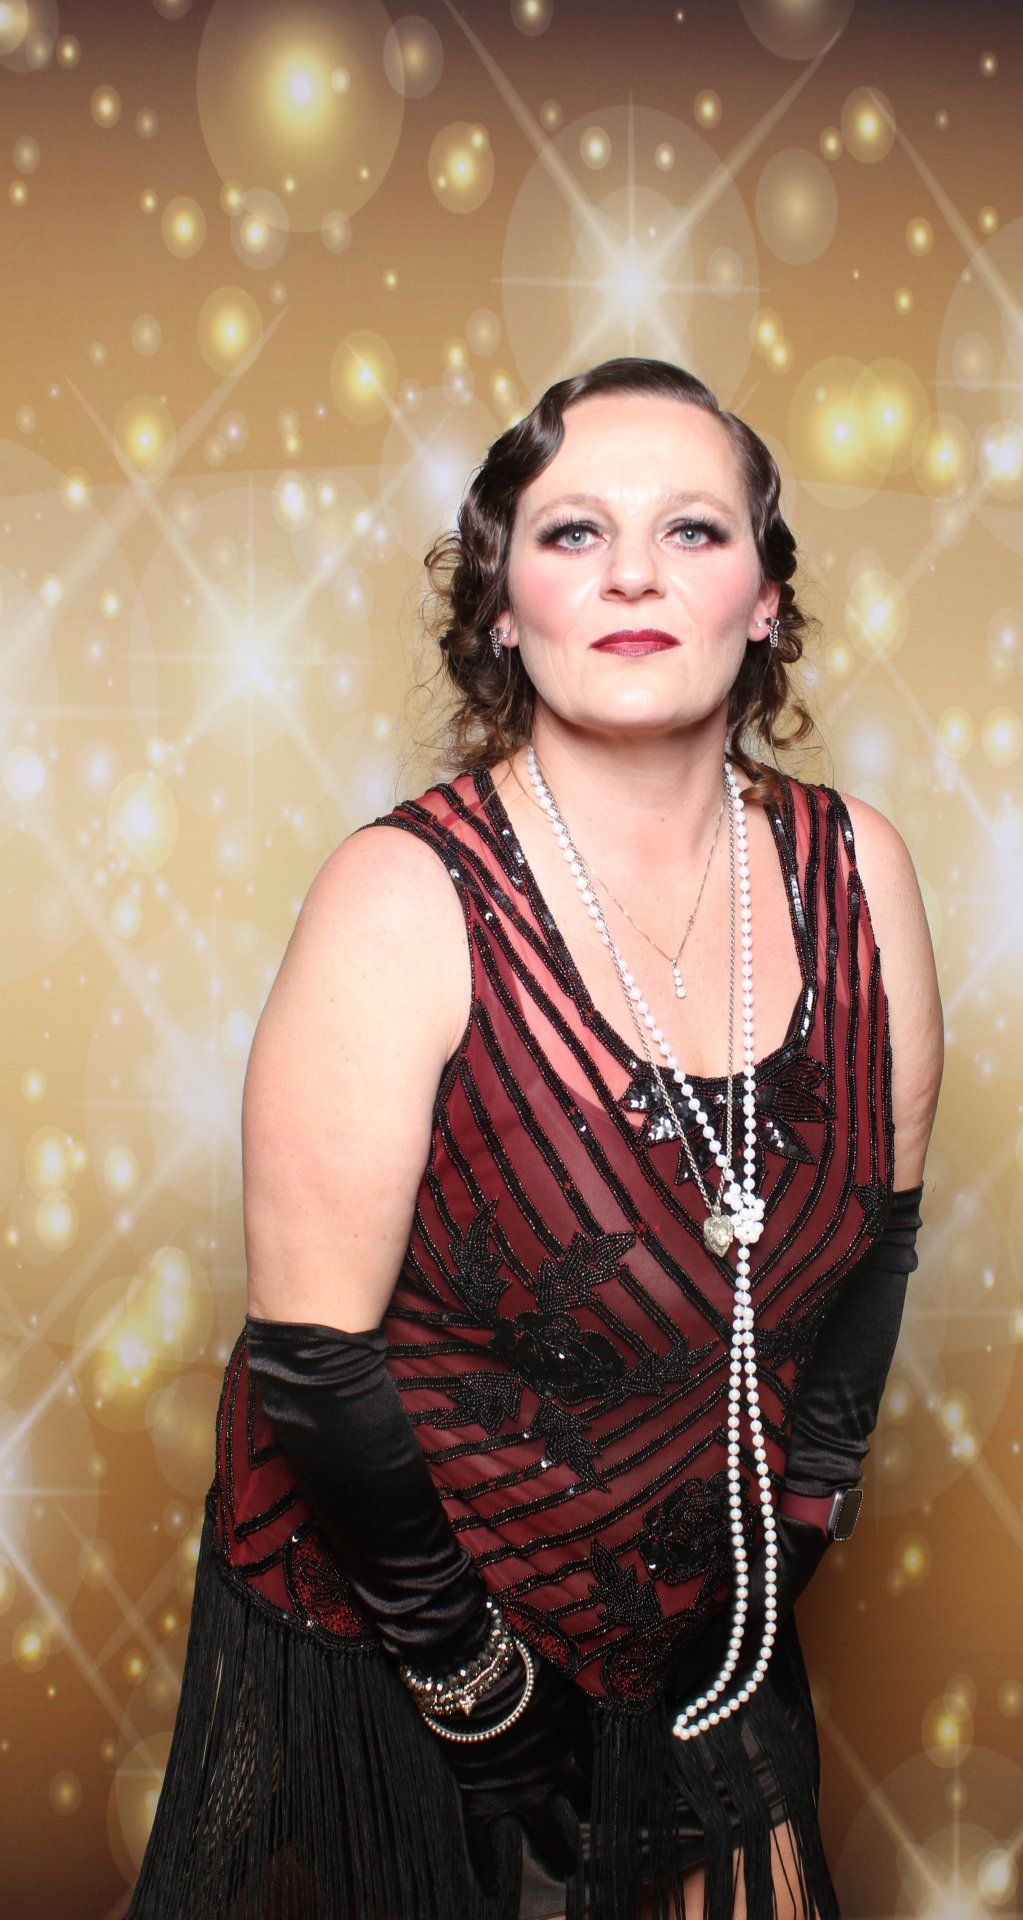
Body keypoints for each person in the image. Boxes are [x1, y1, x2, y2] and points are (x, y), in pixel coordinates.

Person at [124, 355, 943, 1920]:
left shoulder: (860, 873)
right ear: (503, 607)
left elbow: (881, 1244)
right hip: (402, 1621)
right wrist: (480, 1694)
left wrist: (799, 1532)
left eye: (692, 529)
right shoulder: (401, 899)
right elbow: (314, 1361)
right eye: (575, 532)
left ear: (765, 597)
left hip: (699, 1620)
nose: (635, 572)